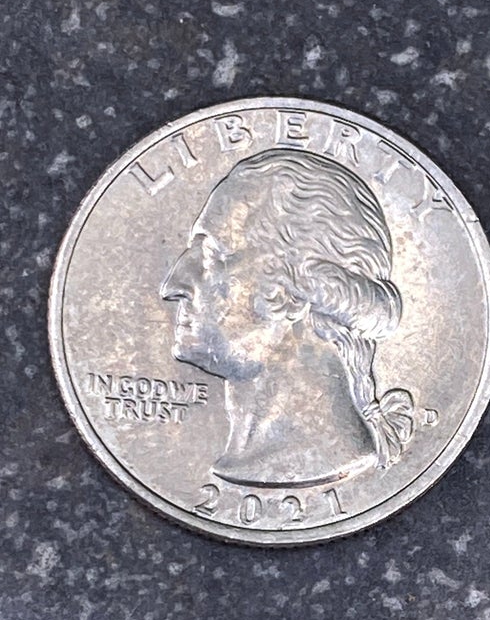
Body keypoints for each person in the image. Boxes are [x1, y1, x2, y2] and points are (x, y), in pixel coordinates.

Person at [160, 147, 415, 488]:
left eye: (213, 256)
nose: (172, 285)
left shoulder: (316, 459)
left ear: (291, 293)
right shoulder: (246, 461)